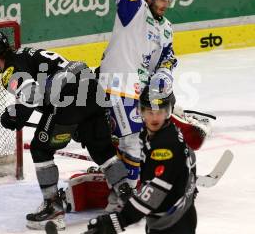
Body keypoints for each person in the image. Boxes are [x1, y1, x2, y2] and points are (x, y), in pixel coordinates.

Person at [0, 30, 117, 230]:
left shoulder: (11, 69)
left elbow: (32, 97)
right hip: (91, 88)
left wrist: (14, 116)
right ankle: (124, 196)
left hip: (69, 96)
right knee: (101, 149)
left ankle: (53, 208)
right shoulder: (25, 54)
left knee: (40, 149)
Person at [98, 0, 178, 210]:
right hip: (118, 80)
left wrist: (165, 73)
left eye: (169, 0)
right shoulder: (133, 11)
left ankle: (130, 184)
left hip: (140, 88)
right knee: (130, 139)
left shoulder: (167, 27)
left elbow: (168, 56)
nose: (166, 4)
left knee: (138, 138)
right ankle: (121, 200)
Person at [85, 86, 198, 234]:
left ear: (167, 112)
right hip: (173, 215)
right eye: (150, 112)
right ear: (141, 112)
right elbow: (191, 158)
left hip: (172, 223)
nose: (155, 118)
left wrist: (119, 220)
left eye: (160, 112)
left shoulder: (164, 147)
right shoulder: (161, 132)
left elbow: (154, 194)